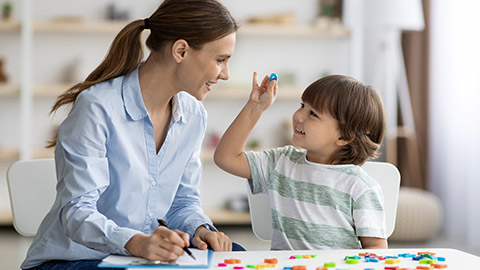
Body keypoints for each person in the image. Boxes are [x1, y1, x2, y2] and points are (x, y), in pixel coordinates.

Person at [22, 0, 241, 269]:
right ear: (181, 50)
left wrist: (201, 229)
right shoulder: (98, 107)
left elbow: (183, 201)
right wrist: (136, 242)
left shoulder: (193, 115)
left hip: (139, 256)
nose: (226, 74)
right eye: (220, 60)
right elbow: (77, 213)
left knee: (233, 255)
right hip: (76, 258)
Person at [214, 73, 388, 250]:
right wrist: (255, 108)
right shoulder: (280, 163)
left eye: (313, 114)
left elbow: (375, 249)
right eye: (302, 105)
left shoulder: (360, 186)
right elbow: (225, 158)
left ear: (344, 136)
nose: (299, 116)